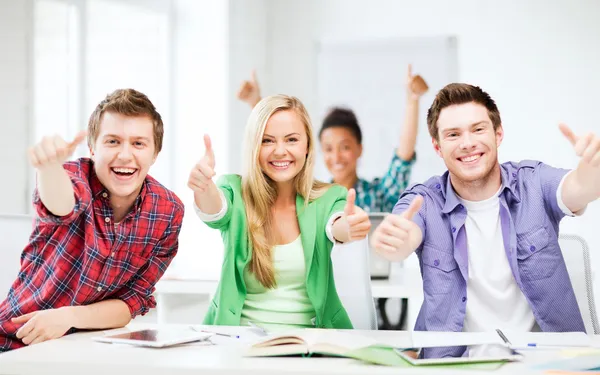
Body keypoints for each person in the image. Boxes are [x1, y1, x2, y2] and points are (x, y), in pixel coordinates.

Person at [370, 83, 600, 357]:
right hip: (456, 366)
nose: (467, 143)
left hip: (544, 363)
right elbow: (405, 233)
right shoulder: (425, 200)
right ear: (437, 146)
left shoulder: (534, 183)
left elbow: (579, 187)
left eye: (478, 129)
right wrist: (395, 242)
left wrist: (592, 170)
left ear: (498, 133)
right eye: (453, 134)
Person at [0, 89, 184, 352]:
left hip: (87, 347)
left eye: (138, 143)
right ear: (92, 149)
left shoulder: (167, 211)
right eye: (112, 141)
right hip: (14, 341)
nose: (124, 155)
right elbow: (61, 206)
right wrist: (49, 168)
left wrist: (69, 316)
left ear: (155, 153)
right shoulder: (74, 177)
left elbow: (131, 303)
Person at [188, 94, 371, 331]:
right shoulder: (234, 190)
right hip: (238, 345)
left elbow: (337, 225)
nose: (280, 151)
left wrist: (349, 226)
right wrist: (203, 187)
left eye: (292, 140)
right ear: (254, 146)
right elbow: (215, 210)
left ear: (307, 146)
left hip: (310, 347)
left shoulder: (329, 197)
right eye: (267, 141)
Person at [237, 66, 428, 213]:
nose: (336, 156)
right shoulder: (312, 197)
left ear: (359, 148)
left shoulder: (379, 195)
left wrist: (413, 100)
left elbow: (402, 159)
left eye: (345, 147)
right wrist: (256, 104)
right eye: (328, 149)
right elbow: (276, 158)